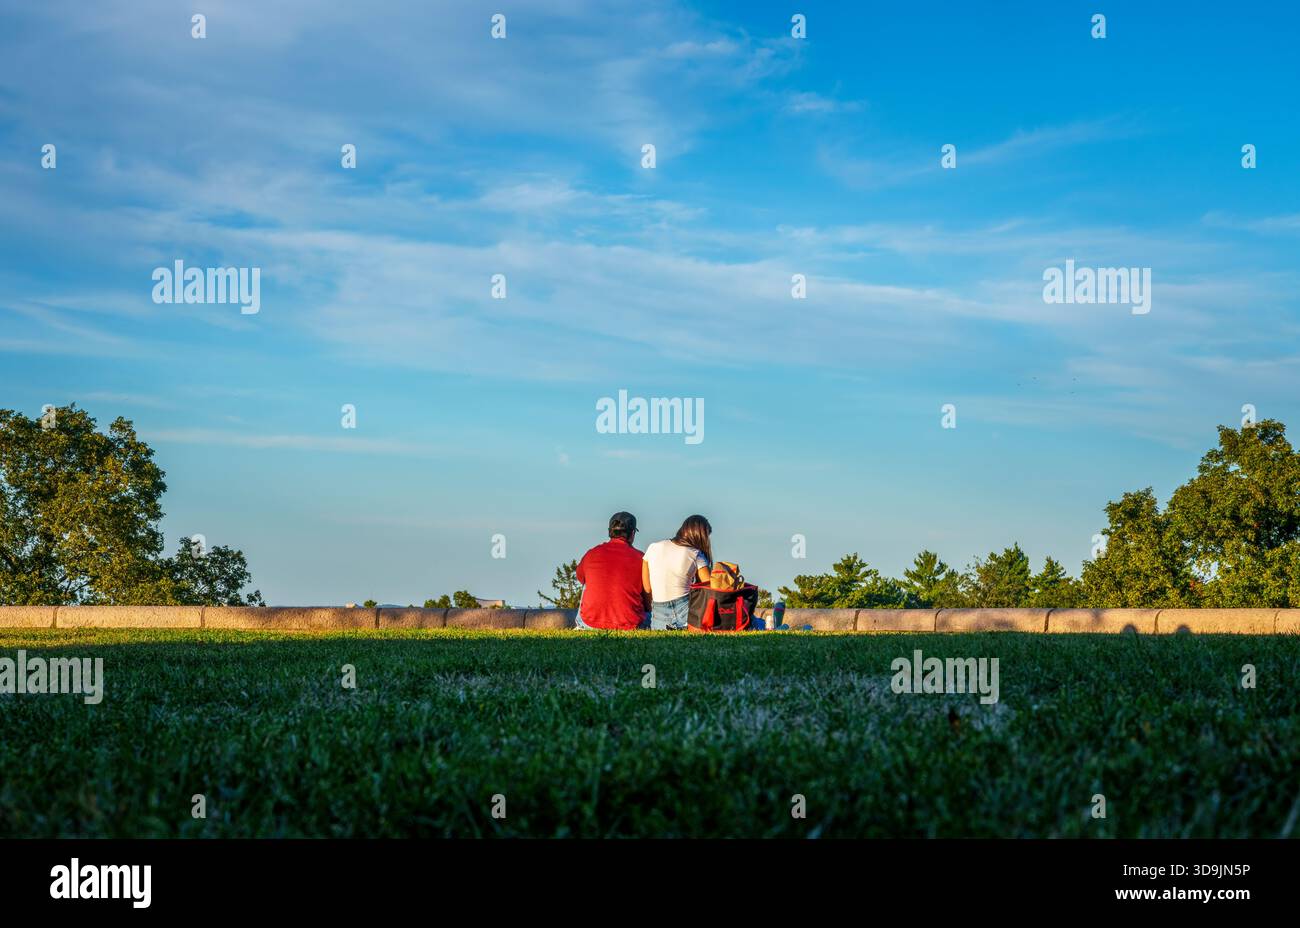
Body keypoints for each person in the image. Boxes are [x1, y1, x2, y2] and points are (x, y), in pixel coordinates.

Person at [574, 511, 650, 630]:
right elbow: (648, 593)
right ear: (633, 533)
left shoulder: (591, 554)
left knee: (587, 580)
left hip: (590, 624)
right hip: (629, 624)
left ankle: (582, 626)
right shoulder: (642, 558)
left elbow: (580, 577)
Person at [642, 514, 713, 630]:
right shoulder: (695, 553)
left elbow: (647, 588)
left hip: (659, 613)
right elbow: (709, 587)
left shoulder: (653, 548)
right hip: (685, 608)